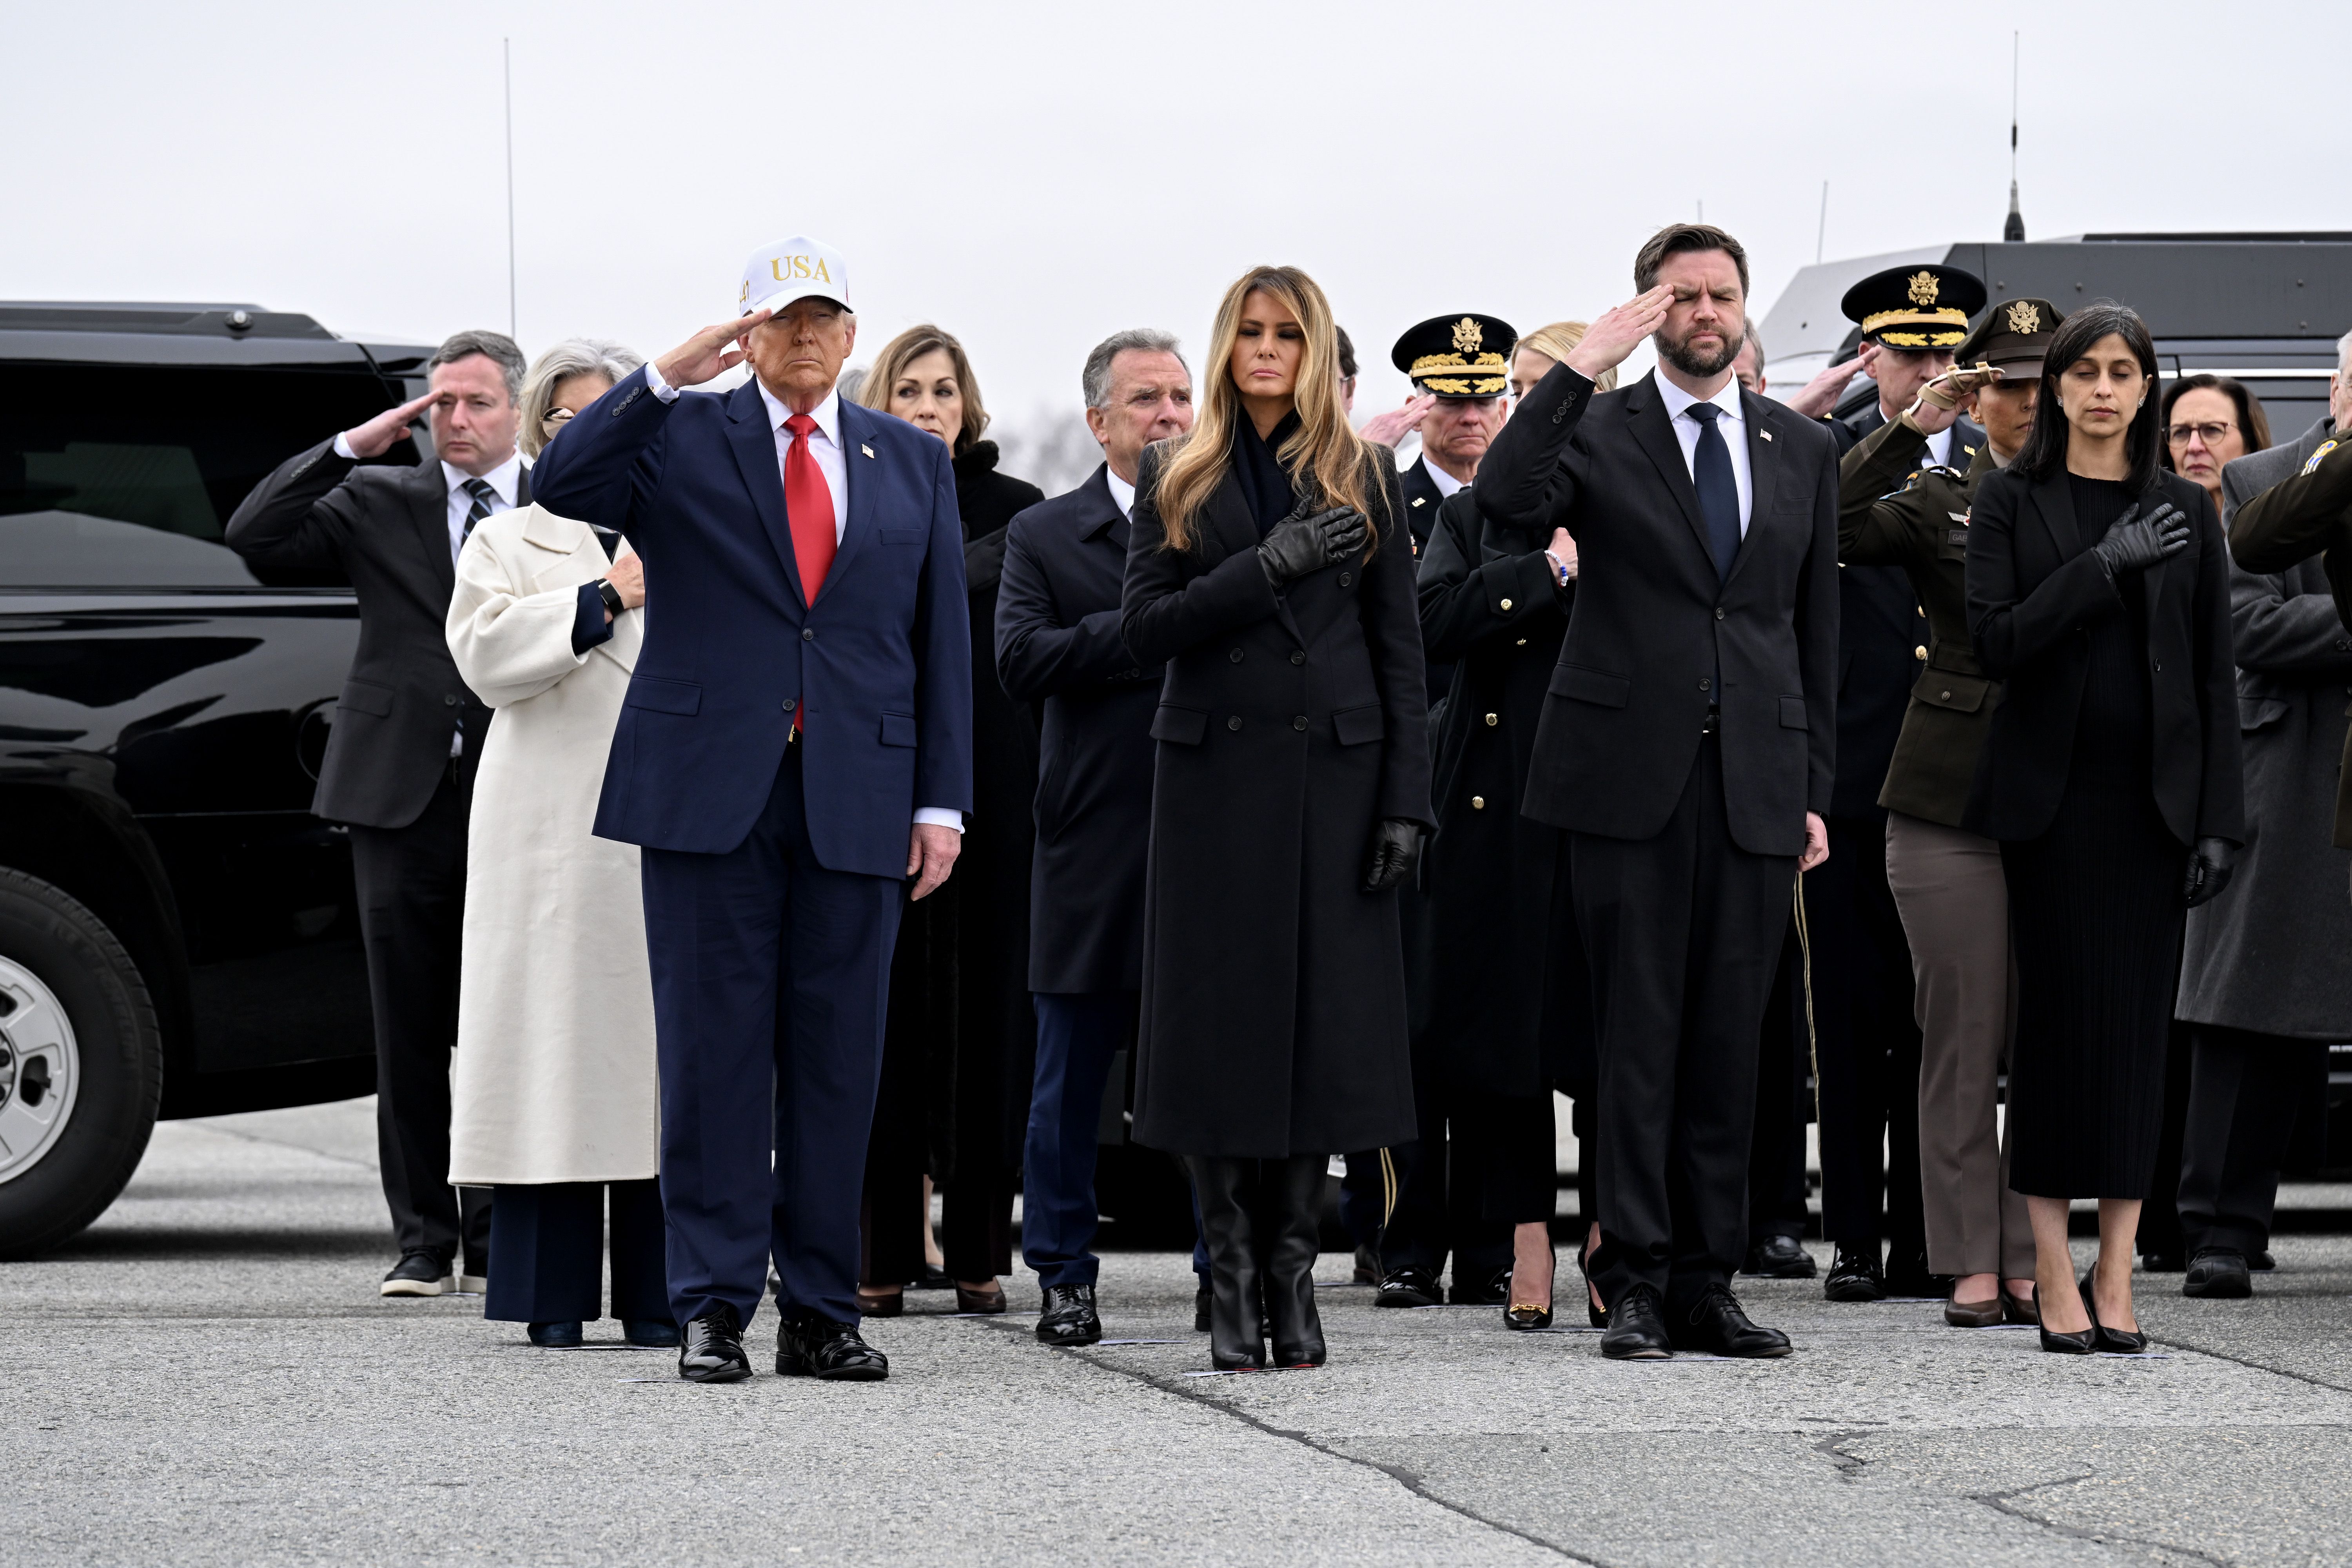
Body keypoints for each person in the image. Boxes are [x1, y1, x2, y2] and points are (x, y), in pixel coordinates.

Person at [530, 236, 972, 1384]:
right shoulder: (682, 434)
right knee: (713, 1055)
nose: (807, 337)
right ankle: (714, 1304)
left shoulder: (906, 459)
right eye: (784, 320)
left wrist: (942, 803)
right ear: (746, 334)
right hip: (707, 793)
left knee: (838, 1062)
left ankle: (822, 1307)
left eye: (826, 318)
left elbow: (938, 648)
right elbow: (563, 485)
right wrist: (665, 377)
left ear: (853, 334)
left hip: (860, 795)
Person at [1475, 223, 1839, 1361]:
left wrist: (1813, 787)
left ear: (1745, 311)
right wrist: (1584, 365)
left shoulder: (1797, 446)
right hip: (1626, 785)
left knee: (1730, 1041)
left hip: (1755, 786)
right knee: (1636, 1039)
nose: (1705, 313)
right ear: (1647, 312)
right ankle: (1628, 1275)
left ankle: (1705, 1279)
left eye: (1722, 294)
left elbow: (1808, 632)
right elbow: (1505, 497)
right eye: (1680, 297)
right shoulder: (1599, 427)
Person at [1121, 264, 1432, 1371]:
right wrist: (1266, 568)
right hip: (1212, 791)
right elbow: (1144, 633)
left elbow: (1401, 654)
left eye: (1288, 335)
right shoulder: (1175, 468)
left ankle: (1293, 1279)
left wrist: (1408, 799)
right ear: (1226, 346)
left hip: (1337, 788)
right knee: (1218, 1041)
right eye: (1250, 332)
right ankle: (1232, 1275)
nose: (1266, 350)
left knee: (1322, 1041)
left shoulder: (1370, 473)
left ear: (1315, 351)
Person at [1963, 302, 2243, 1354]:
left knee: (2136, 1044)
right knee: (2056, 1036)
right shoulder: (2009, 500)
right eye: (2085, 372)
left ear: (2146, 385)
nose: (2103, 390)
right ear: (2059, 389)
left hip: (2153, 811)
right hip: (2049, 809)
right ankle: (2049, 1264)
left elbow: (2215, 673)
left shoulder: (2183, 506)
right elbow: (1997, 642)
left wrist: (2221, 819)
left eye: (2123, 372)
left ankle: (2117, 1271)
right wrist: (2102, 567)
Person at [225, 330, 528, 1298]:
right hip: (398, 795)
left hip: (514, 793)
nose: (459, 420)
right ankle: (424, 1239)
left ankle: (497, 1230)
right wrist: (354, 444)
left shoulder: (555, 502)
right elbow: (257, 536)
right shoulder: (379, 497)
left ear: (515, 408)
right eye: (443, 403)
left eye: (479, 401)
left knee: (502, 1016)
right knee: (407, 1023)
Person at [1839, 297, 2063, 1326]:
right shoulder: (1944, 489)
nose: (2020, 399)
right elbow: (1831, 524)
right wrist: (1912, 423)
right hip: (1952, 789)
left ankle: (2037, 1254)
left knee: (2055, 1037)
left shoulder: (2120, 491)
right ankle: (1971, 1255)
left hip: (2076, 789)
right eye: (2001, 381)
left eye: (2036, 378)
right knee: (1962, 1032)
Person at [443, 339, 671, 1348]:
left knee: (662, 1062)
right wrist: (606, 597)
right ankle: (548, 1295)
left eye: (609, 413)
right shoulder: (507, 539)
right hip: (547, 831)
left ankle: (670, 1294)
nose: (588, 432)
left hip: (669, 823)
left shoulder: (687, 524)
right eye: (570, 417)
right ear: (542, 430)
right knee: (551, 1056)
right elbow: (486, 654)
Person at [1406, 319, 1611, 1330]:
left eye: (1547, 390)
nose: (1527, 407)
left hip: (1606, 793)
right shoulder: (1485, 510)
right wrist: (1547, 577)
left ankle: (1617, 1225)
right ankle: (1529, 1234)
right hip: (1494, 799)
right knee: (1508, 1042)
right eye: (1521, 390)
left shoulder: (1627, 486)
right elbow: (1431, 620)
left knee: (1613, 1028)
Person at [996, 328, 1194, 1347]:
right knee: (1068, 1077)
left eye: (1179, 396)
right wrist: (1158, 624)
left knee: (1214, 1066)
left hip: (1211, 836)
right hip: (1091, 835)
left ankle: (1229, 1267)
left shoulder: (1233, 523)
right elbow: (1024, 658)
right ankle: (1065, 1272)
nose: (1168, 414)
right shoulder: (1044, 535)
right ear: (1100, 422)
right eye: (1146, 400)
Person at [1809, 267, 1996, 1303]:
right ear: (1870, 359)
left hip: (1951, 784)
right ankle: (1852, 1234)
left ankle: (1935, 1232)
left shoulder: (1988, 463)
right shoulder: (1831, 457)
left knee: (1943, 1022)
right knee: (1850, 1017)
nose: (1930, 371)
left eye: (1943, 352)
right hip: (1849, 776)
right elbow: (1817, 540)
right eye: (1908, 352)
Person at [852, 325, 1044, 1318]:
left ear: (968, 405)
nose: (928, 406)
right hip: (876, 779)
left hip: (999, 787)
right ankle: (881, 1250)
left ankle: (976, 1247)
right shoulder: (846, 496)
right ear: (877, 400)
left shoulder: (1021, 512)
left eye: (944, 390)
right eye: (909, 390)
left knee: (991, 1021)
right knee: (879, 1016)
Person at [2175, 354, 2349, 1299]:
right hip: (2293, 776)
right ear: (2336, 388)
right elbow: (2248, 626)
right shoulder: (2261, 481)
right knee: (2251, 1012)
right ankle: (2221, 1230)